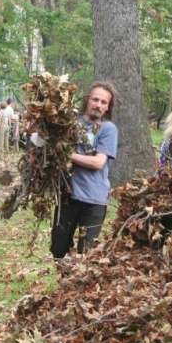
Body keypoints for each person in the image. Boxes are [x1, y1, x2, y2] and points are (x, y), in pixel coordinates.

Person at [50, 82, 119, 259]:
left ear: (108, 107)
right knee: (58, 247)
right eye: (95, 99)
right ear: (87, 100)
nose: (98, 105)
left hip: (94, 199)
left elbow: (98, 162)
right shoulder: (70, 123)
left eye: (104, 102)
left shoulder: (108, 129)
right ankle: (64, 283)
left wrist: (67, 154)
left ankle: (77, 285)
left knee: (86, 253)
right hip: (68, 196)